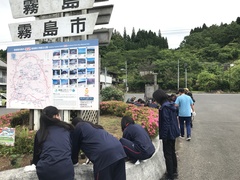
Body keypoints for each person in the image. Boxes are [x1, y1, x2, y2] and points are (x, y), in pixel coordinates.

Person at [32, 106, 74, 180]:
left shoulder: (40, 133)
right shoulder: (67, 129)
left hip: (45, 171)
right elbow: (71, 150)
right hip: (65, 170)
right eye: (59, 114)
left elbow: (36, 158)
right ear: (56, 116)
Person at [153, 89, 180, 180]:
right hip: (173, 132)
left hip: (168, 134)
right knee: (172, 152)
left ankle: (170, 175)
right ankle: (174, 171)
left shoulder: (164, 107)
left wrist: (164, 136)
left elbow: (166, 123)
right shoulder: (171, 105)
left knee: (167, 154)